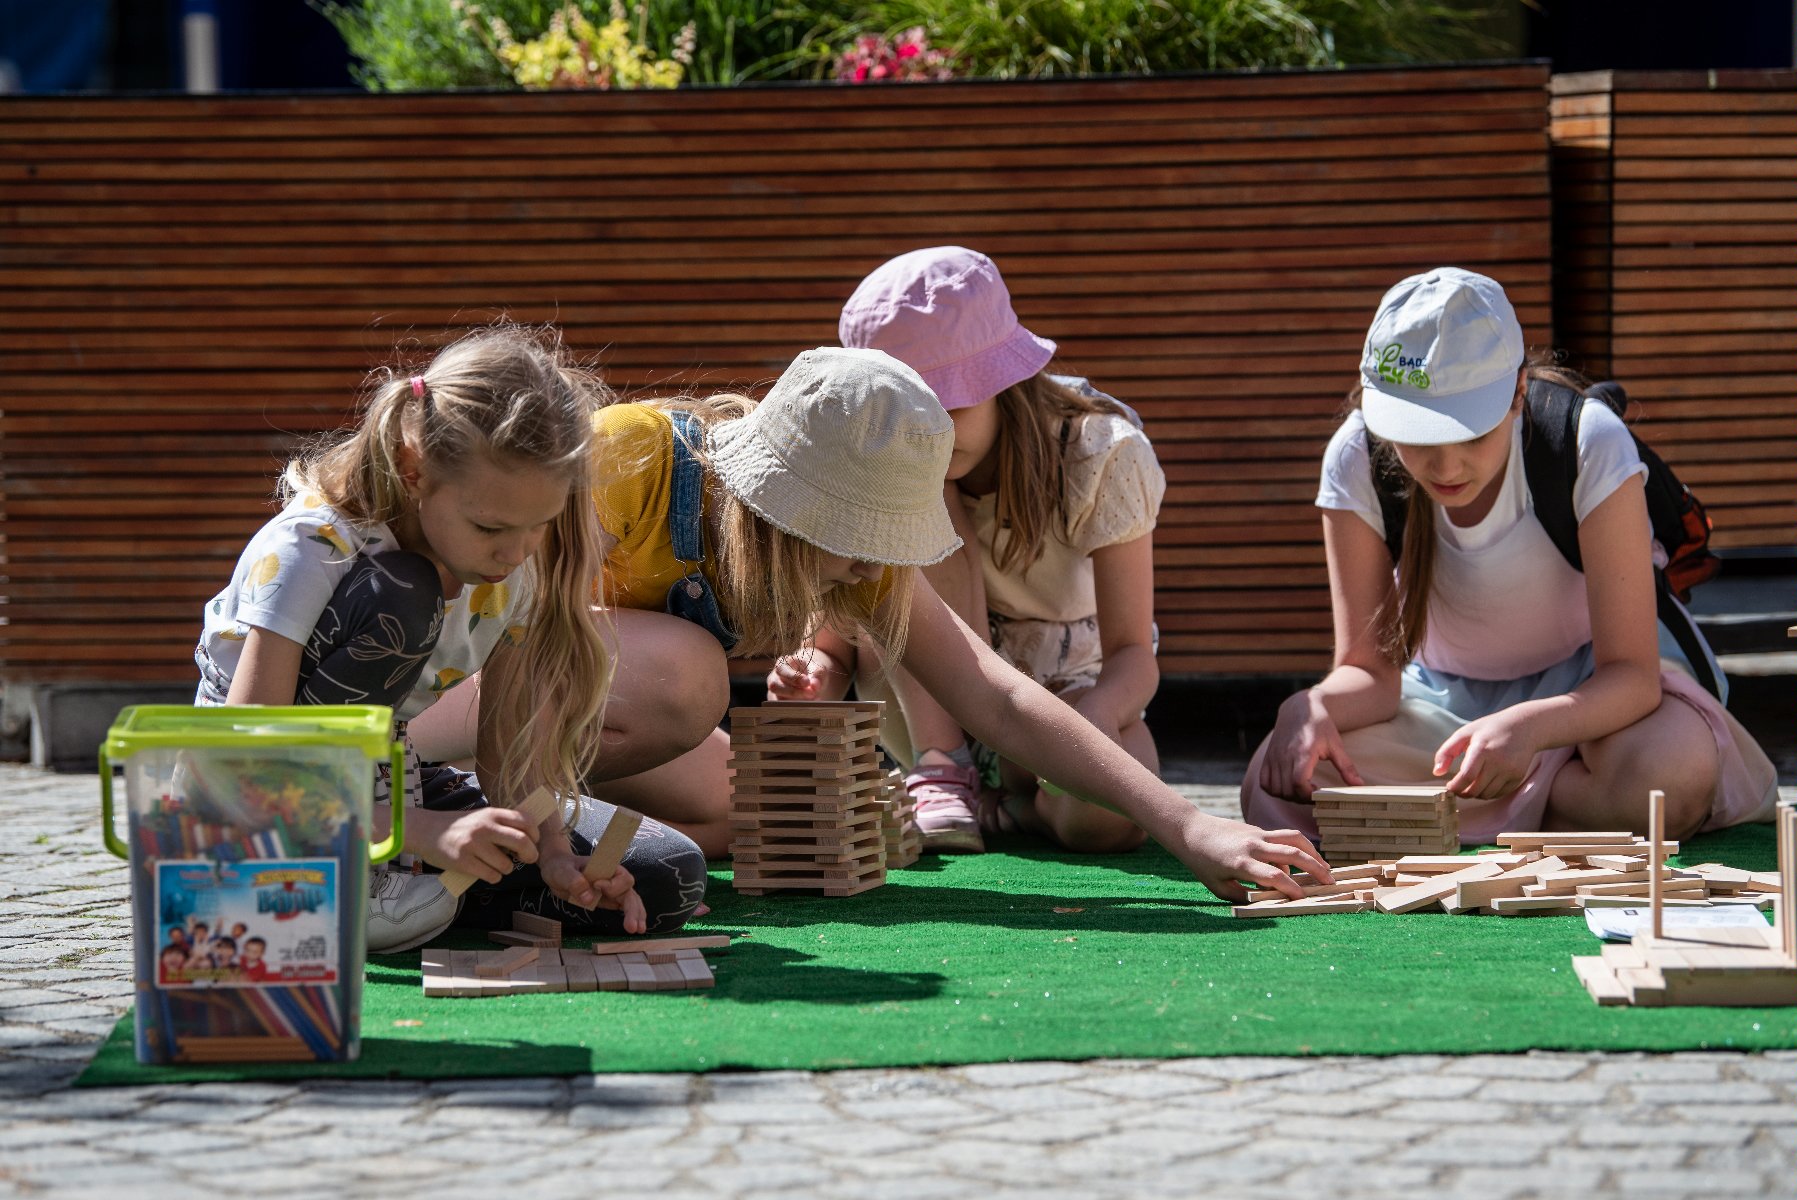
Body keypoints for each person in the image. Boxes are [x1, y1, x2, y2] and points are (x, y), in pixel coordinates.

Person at [570, 346, 1325, 900]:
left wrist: (1189, 825)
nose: (874, 572)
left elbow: (994, 697)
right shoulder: (627, 452)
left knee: (756, 819)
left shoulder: (853, 557)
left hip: (592, 724)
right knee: (686, 674)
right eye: (860, 542)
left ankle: (559, 827)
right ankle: (487, 802)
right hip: (500, 702)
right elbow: (508, 634)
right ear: (787, 511)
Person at [194, 325, 708, 951]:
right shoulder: (314, 550)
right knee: (400, 594)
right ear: (414, 469)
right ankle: (333, 879)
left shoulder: (513, 567)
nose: (516, 553)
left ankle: (394, 895)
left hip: (394, 787)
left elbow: (511, 759)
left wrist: (549, 854)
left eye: (539, 526)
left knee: (667, 877)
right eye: (490, 526)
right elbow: (239, 762)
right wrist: (422, 832)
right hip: (256, 802)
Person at [1243, 267, 1778, 842]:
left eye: (1473, 433)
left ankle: (1472, 814)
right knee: (1275, 780)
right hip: (1441, 708)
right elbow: (1370, 673)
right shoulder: (1355, 456)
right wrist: (1313, 702)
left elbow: (1632, 678)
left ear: (1519, 393)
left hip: (1594, 700)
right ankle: (1562, 812)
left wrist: (1530, 730)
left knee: (1668, 774)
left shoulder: (1586, 439)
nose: (1446, 469)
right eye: (1418, 438)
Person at [779, 246, 1164, 855]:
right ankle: (941, 767)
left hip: (1063, 697)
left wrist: (1094, 721)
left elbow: (1132, 656)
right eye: (906, 415)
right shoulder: (886, 467)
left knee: (1110, 819)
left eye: (948, 407)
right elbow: (833, 641)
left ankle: (1008, 810)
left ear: (1003, 383)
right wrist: (815, 671)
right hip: (927, 701)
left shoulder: (1102, 453)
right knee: (915, 497)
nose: (930, 435)